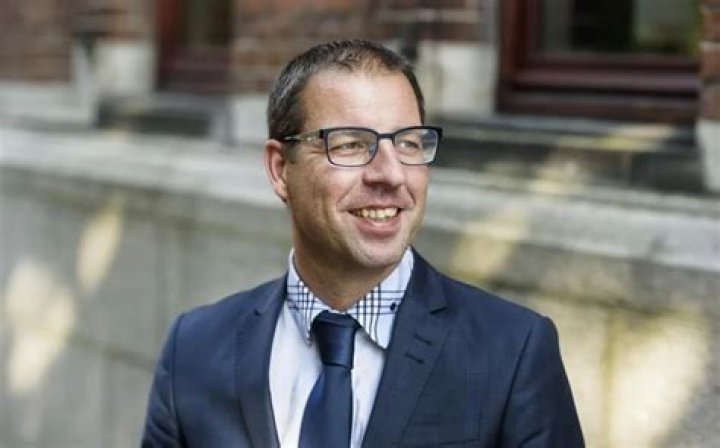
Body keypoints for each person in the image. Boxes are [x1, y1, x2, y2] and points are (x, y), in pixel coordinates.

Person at [142, 39, 584, 447]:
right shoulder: (194, 350)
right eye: (352, 144)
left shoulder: (512, 352)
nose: (391, 174)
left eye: (408, 143)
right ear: (280, 169)